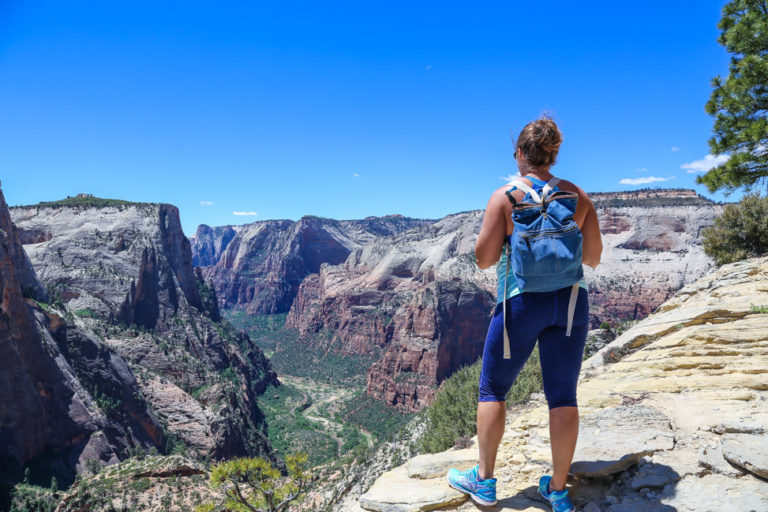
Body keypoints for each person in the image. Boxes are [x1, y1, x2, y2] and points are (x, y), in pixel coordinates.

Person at [447, 117, 602, 511]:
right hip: (569, 303)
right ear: (554, 154)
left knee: (493, 389)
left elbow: (483, 260)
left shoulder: (504, 197)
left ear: (520, 153)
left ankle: (483, 483)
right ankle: (559, 489)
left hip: (520, 303)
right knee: (563, 395)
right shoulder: (578, 197)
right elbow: (593, 257)